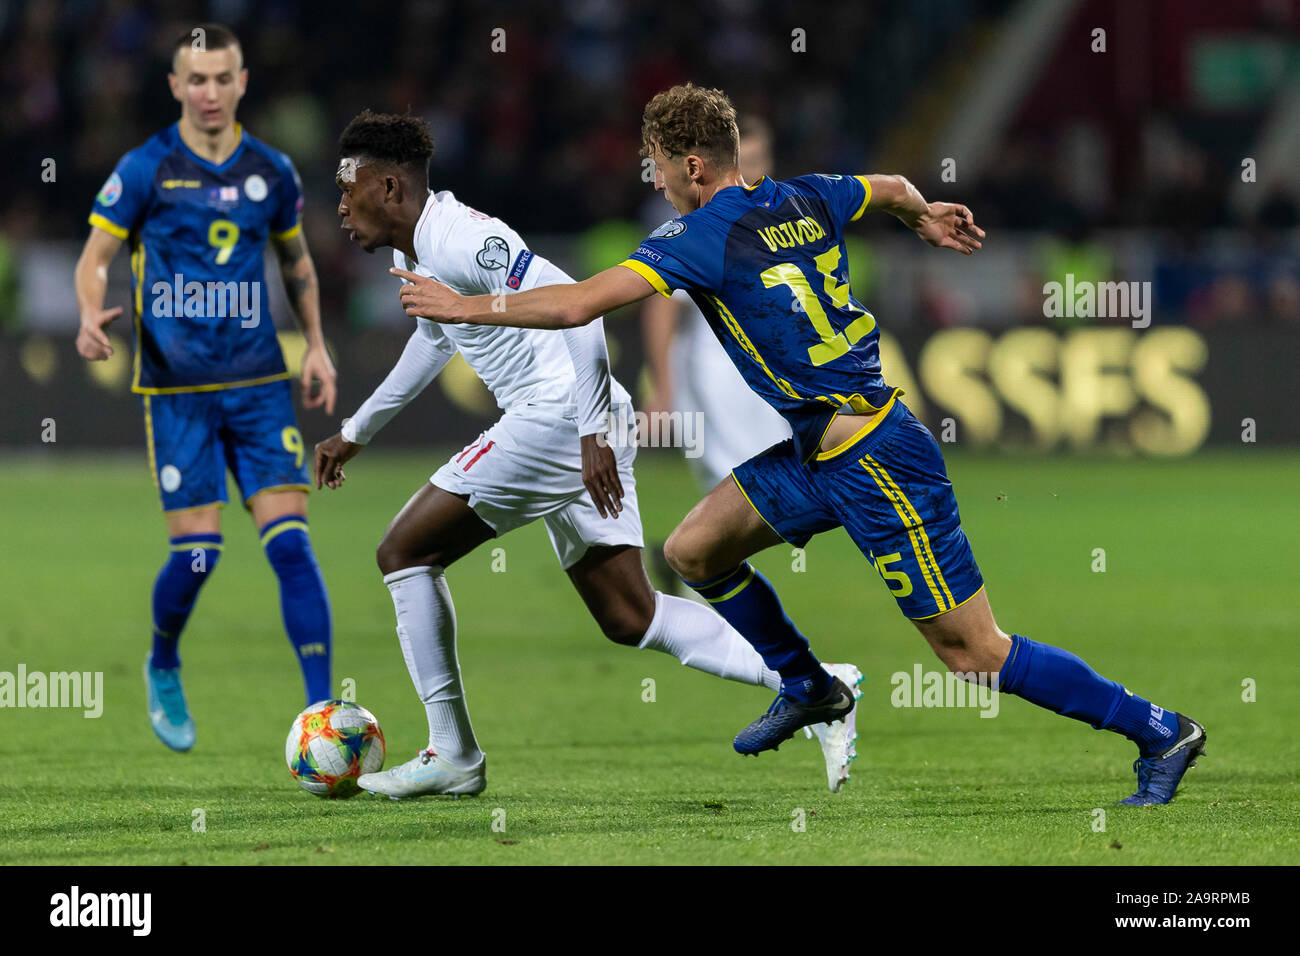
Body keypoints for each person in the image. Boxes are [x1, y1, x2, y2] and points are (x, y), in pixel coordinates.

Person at [392, 84, 1206, 806]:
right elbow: (885, 187)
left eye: (659, 169)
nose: (657, 184)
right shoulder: (806, 195)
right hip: (817, 452)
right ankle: (810, 685)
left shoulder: (696, 236)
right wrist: (921, 211)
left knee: (973, 654)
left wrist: (467, 310)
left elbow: (575, 306)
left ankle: (1160, 730)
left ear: (693, 166)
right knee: (695, 550)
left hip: (878, 461)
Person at [313, 110, 861, 798]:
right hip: (568, 423)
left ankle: (452, 753)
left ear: (390, 188)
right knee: (631, 615)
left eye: (348, 189)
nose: (339, 206)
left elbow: (585, 311)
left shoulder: (465, 239)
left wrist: (592, 429)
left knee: (404, 553)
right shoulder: (413, 251)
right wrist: (358, 430)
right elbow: (436, 337)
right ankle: (821, 679)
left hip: (558, 418)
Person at [74, 23, 337, 751]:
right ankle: (163, 658)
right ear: (175, 86)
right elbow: (96, 256)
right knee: (200, 555)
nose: (210, 93)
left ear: (243, 82)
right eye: (196, 79)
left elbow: (299, 266)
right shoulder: (146, 167)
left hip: (257, 382)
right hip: (177, 390)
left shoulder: (273, 170)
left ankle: (321, 720)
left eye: (223, 78)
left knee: (290, 545)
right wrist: (88, 310)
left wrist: (316, 346)